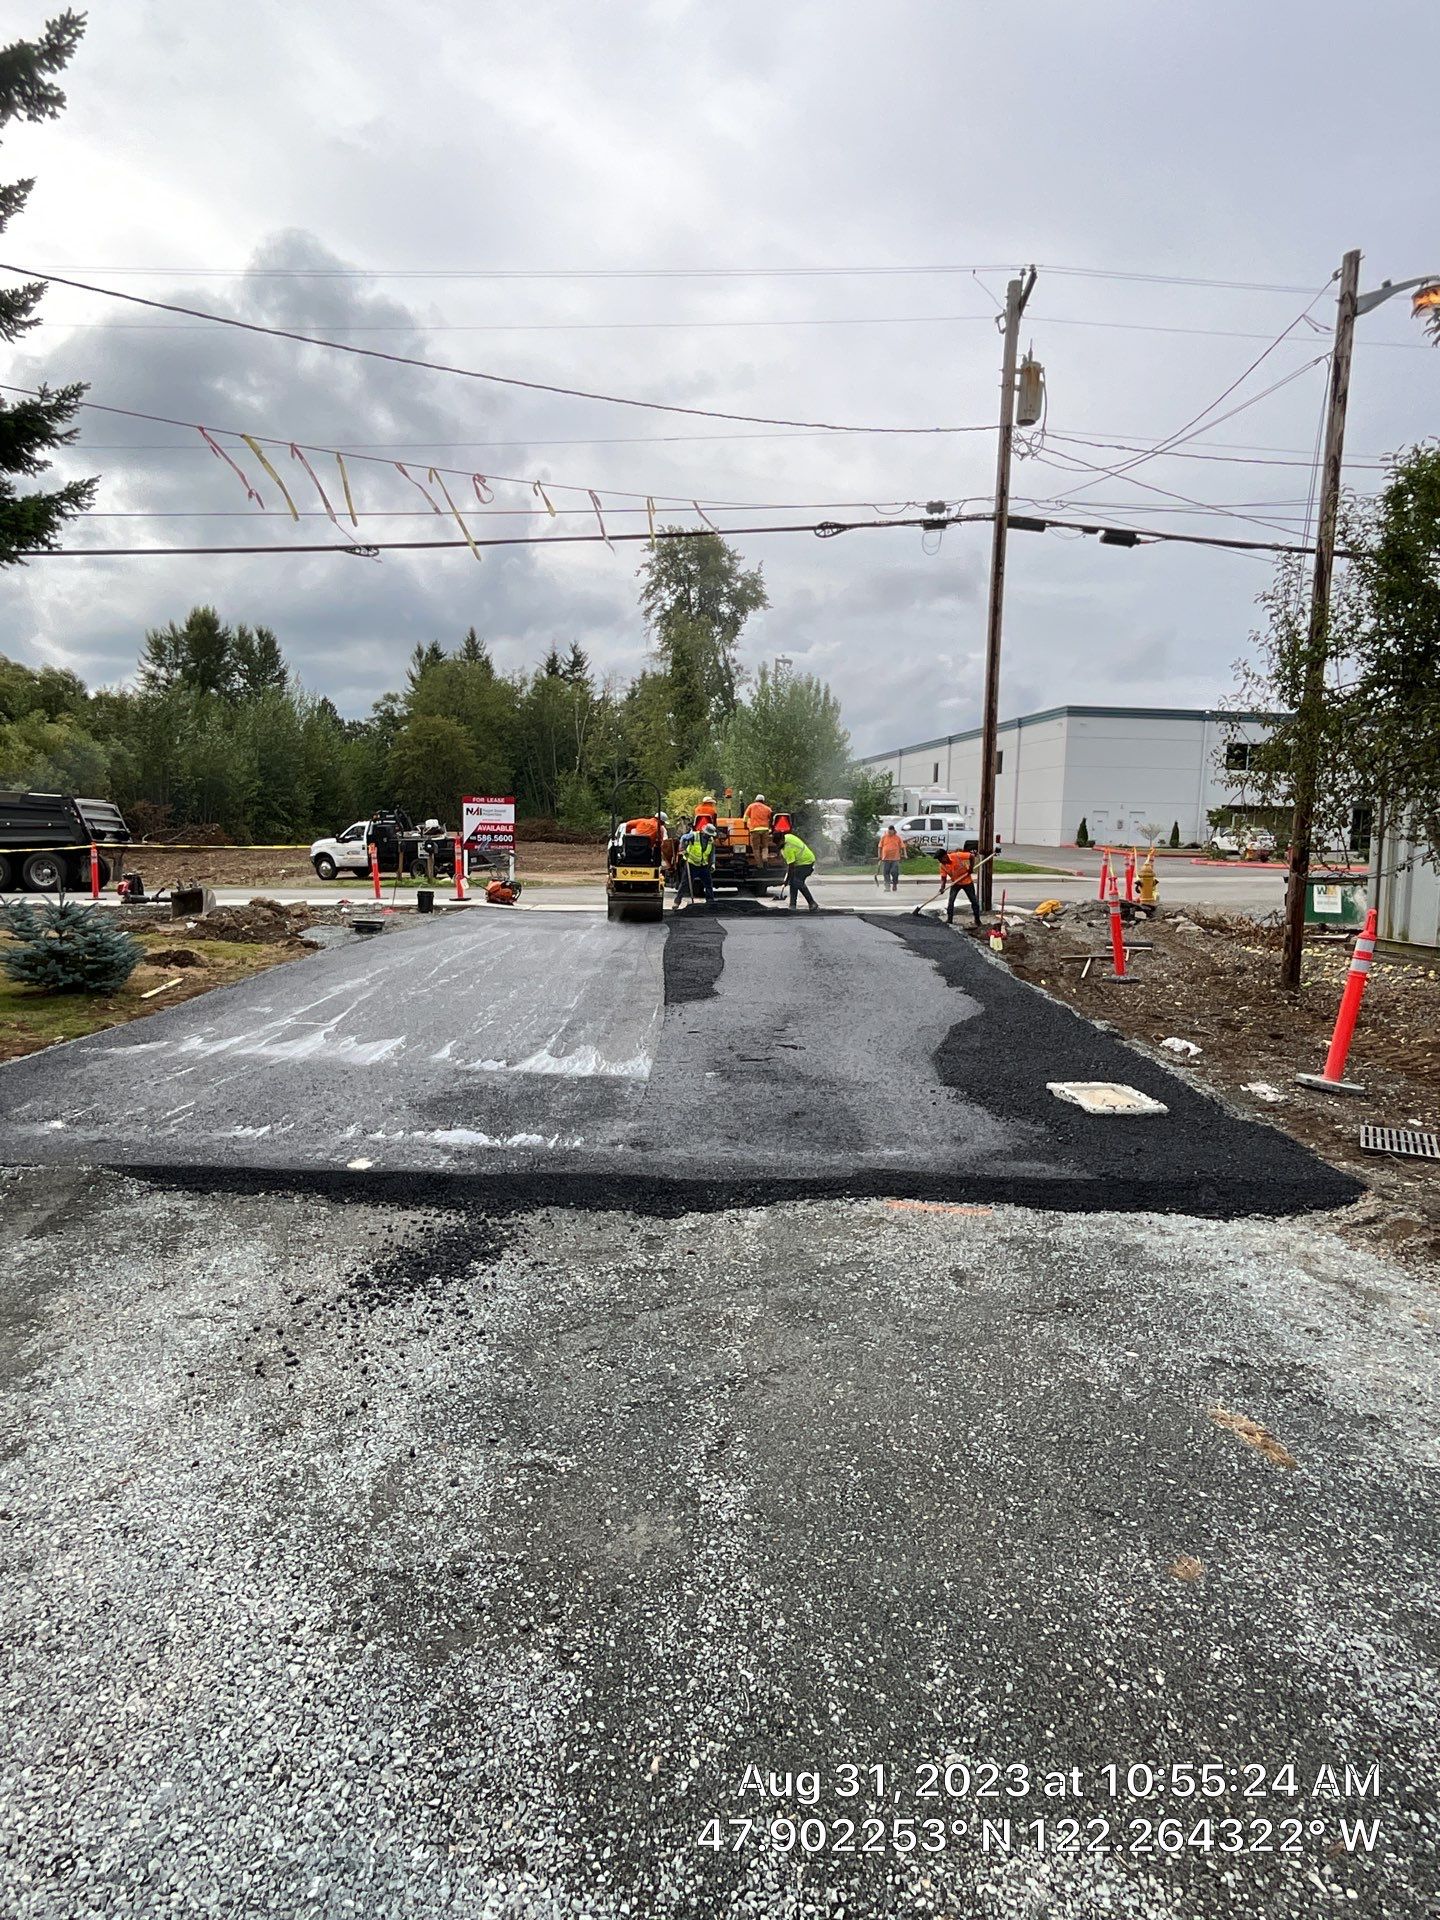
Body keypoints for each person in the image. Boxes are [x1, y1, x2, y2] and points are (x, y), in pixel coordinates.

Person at [674, 817, 716, 909]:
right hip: (691, 864)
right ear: (704, 831)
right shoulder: (694, 836)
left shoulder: (711, 840)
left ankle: (710, 902)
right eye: (708, 834)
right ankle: (677, 902)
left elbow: (712, 853)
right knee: (684, 884)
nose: (709, 836)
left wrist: (712, 863)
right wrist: (682, 849)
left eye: (710, 835)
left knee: (708, 884)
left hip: (703, 866)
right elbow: (683, 838)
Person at [935, 843, 980, 926]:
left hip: (967, 882)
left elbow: (972, 856)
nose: (940, 861)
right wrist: (942, 888)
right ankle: (949, 920)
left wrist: (971, 868)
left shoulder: (957, 856)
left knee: (974, 901)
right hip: (956, 883)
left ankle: (977, 920)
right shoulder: (942, 866)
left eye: (941, 859)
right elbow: (943, 878)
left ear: (945, 856)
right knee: (951, 901)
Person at [779, 827, 818, 912]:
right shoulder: (788, 836)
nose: (777, 845)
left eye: (778, 843)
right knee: (794, 881)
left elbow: (791, 866)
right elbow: (791, 865)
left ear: (782, 840)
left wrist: (786, 881)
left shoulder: (787, 848)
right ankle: (792, 905)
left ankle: (812, 903)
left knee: (796, 881)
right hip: (804, 860)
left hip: (806, 863)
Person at [877, 823, 907, 893]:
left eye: (891, 831)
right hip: (885, 858)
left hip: (895, 859)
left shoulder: (897, 837)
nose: (889, 832)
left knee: (894, 872)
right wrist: (879, 855)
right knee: (886, 873)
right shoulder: (884, 837)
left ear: (894, 831)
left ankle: (894, 884)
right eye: (888, 831)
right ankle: (887, 887)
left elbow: (903, 847)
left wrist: (905, 854)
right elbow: (879, 847)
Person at [742, 791, 772, 860]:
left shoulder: (751, 806)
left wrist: (745, 826)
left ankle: (759, 865)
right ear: (763, 801)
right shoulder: (767, 808)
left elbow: (745, 817)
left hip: (754, 830)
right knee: (765, 846)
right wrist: (770, 828)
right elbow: (771, 818)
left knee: (756, 848)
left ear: (755, 800)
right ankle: (765, 858)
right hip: (765, 830)